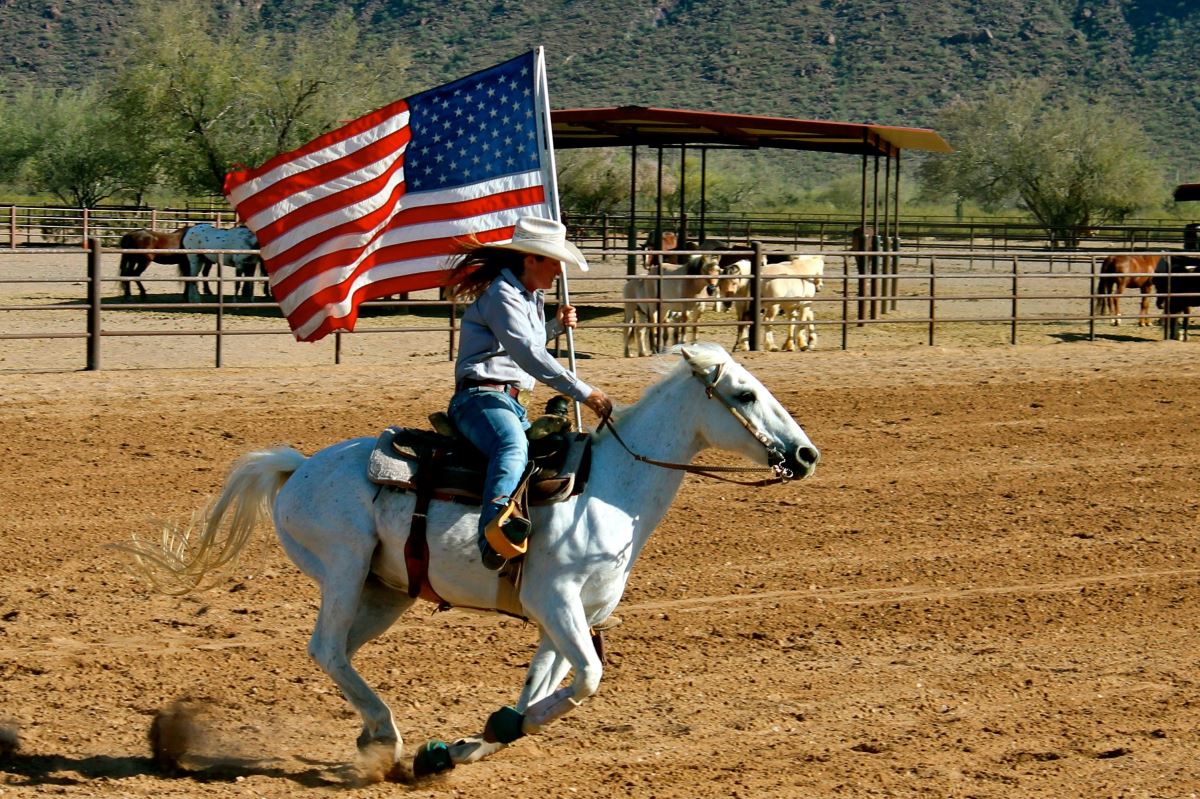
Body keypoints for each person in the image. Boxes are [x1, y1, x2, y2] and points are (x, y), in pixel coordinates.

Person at [445, 216, 613, 570]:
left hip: (508, 402)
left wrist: (553, 325)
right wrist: (585, 392)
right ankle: (493, 533)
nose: (558, 271)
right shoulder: (503, 296)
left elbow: (522, 344)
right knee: (512, 445)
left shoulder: (529, 297)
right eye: (553, 261)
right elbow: (527, 354)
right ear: (530, 259)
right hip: (479, 399)